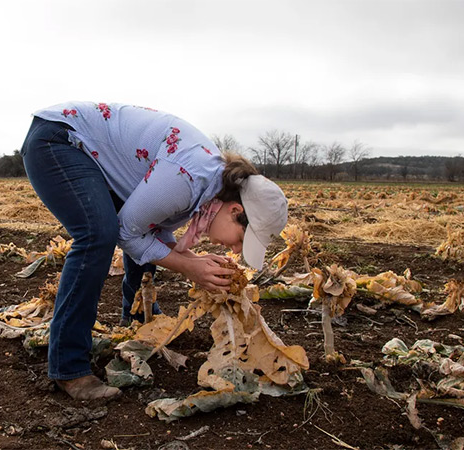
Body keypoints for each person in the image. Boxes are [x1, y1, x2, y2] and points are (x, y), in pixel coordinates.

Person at [20, 101, 288, 400]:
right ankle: (68, 367)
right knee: (98, 235)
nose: (236, 249)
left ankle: (137, 321)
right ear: (235, 210)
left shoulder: (207, 186)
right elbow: (128, 233)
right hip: (61, 140)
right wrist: (189, 267)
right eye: (242, 238)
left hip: (82, 149)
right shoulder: (188, 178)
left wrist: (193, 260)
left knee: (143, 232)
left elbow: (150, 227)